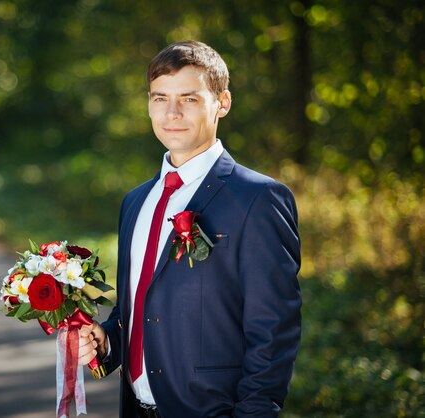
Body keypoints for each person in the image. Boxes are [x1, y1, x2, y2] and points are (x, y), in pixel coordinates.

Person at [79, 40, 301, 418]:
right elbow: (141, 304)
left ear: (223, 103)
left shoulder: (258, 199)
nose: (172, 113)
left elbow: (273, 331)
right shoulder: (135, 201)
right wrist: (109, 341)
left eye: (190, 99)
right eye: (160, 98)